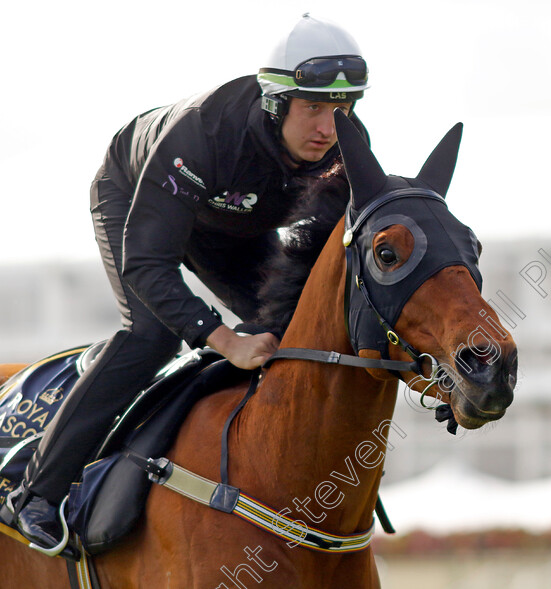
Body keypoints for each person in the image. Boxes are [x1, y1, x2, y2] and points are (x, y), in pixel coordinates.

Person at [2, 13, 370, 552]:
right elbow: (147, 264)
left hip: (233, 226)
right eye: (313, 107)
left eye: (342, 109)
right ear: (275, 102)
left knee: (298, 333)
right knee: (153, 335)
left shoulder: (345, 145)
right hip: (136, 194)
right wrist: (224, 340)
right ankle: (36, 492)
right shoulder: (203, 135)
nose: (328, 128)